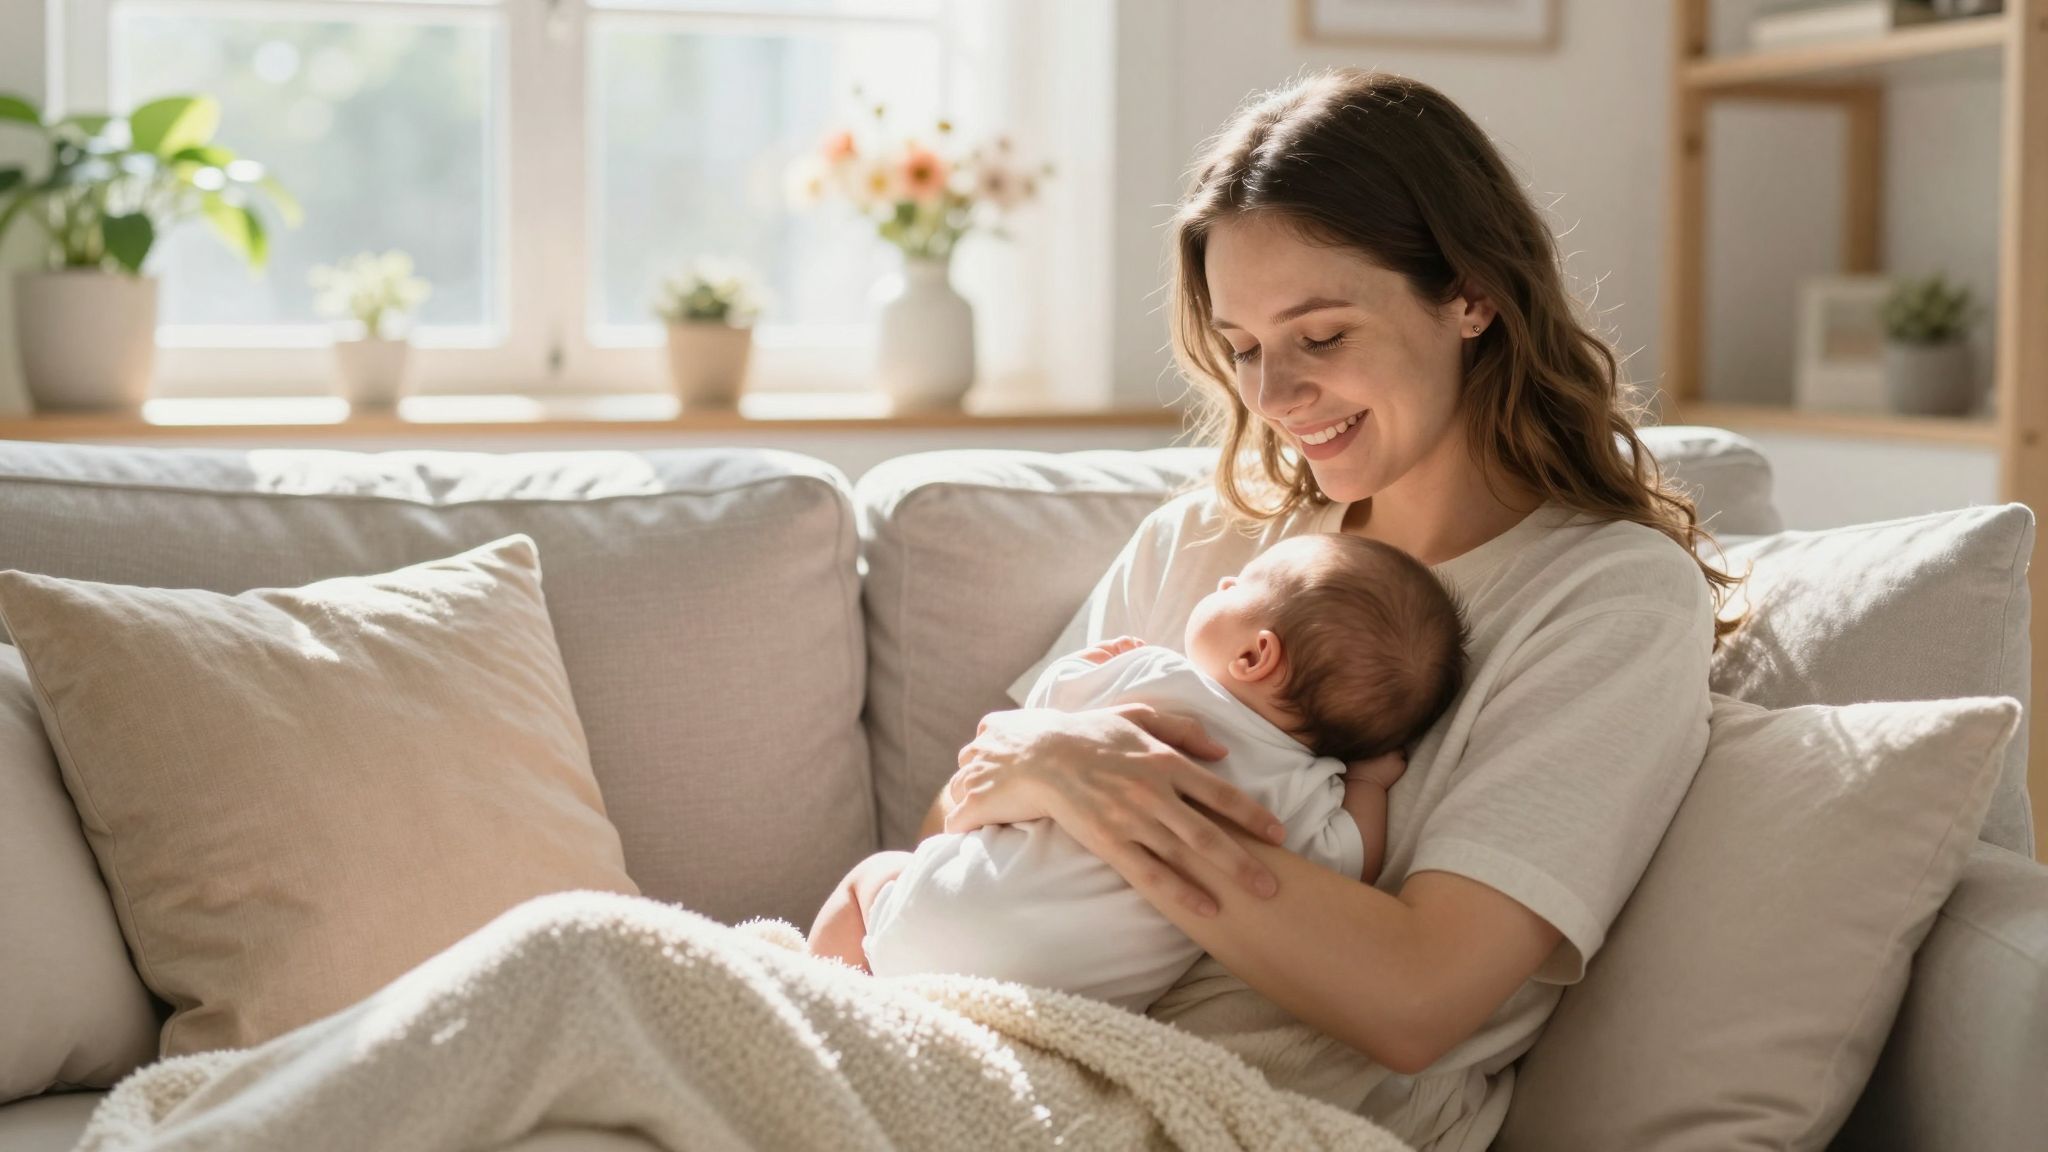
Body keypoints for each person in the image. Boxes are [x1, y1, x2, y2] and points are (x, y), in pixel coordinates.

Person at [924, 68, 1739, 1151]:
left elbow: (1416, 996)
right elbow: (955, 836)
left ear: (1469, 294)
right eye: (1244, 348)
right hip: (1006, 1049)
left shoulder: (1606, 597)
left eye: (1319, 336)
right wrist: (1044, 761)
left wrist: (1101, 791)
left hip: (1255, 1116)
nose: (1269, 398)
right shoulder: (1208, 542)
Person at [805, 532, 1469, 1016]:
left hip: (938, 915)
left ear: (1255, 654)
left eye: (1237, 586)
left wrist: (1095, 663)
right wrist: (1369, 786)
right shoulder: (1305, 796)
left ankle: (823, 1000)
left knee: (872, 879)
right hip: (1075, 1003)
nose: (1221, 585)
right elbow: (1351, 862)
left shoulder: (1155, 675)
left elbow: (1034, 722)